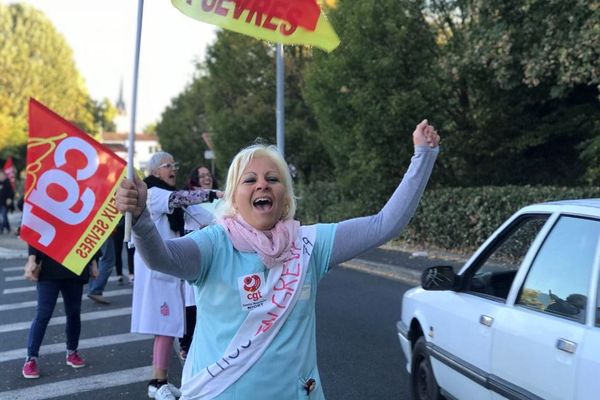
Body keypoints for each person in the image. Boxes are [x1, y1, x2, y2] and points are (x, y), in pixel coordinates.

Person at [116, 120, 440, 399]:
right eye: (250, 179)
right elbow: (163, 258)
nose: (262, 184)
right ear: (232, 196)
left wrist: (423, 157)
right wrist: (141, 219)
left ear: (285, 196)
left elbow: (384, 224)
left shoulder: (310, 243)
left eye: (273, 179)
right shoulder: (214, 243)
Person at [131, 152, 220, 400]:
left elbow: (205, 216)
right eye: (167, 165)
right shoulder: (153, 192)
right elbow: (180, 198)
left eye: (174, 164)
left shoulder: (173, 203)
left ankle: (161, 381)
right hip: (156, 270)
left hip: (170, 269)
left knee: (168, 327)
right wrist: (214, 194)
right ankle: (157, 383)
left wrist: (231, 220)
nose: (173, 168)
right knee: (165, 327)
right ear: (155, 171)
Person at [22, 245, 99, 379]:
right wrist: (31, 260)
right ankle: (31, 358)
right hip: (49, 266)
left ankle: (72, 352)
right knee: (43, 314)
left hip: (76, 264)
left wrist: (93, 263)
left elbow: (89, 229)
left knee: (74, 313)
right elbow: (36, 228)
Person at [180, 165, 219, 360]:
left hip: (217, 254)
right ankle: (186, 343)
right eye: (201, 175)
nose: (206, 178)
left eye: (208, 175)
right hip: (196, 252)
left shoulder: (220, 198)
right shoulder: (189, 200)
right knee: (192, 300)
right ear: (194, 178)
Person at [87, 236, 115, 304]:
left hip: (89, 230)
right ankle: (96, 290)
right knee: (107, 260)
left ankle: (93, 288)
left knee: (93, 259)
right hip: (103, 228)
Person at [0, 170, 14, 234]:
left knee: (4, 215)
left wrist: (9, 198)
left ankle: (5, 228)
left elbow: (11, 192)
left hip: (5, 203)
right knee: (2, 216)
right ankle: (4, 228)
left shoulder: (7, 183)